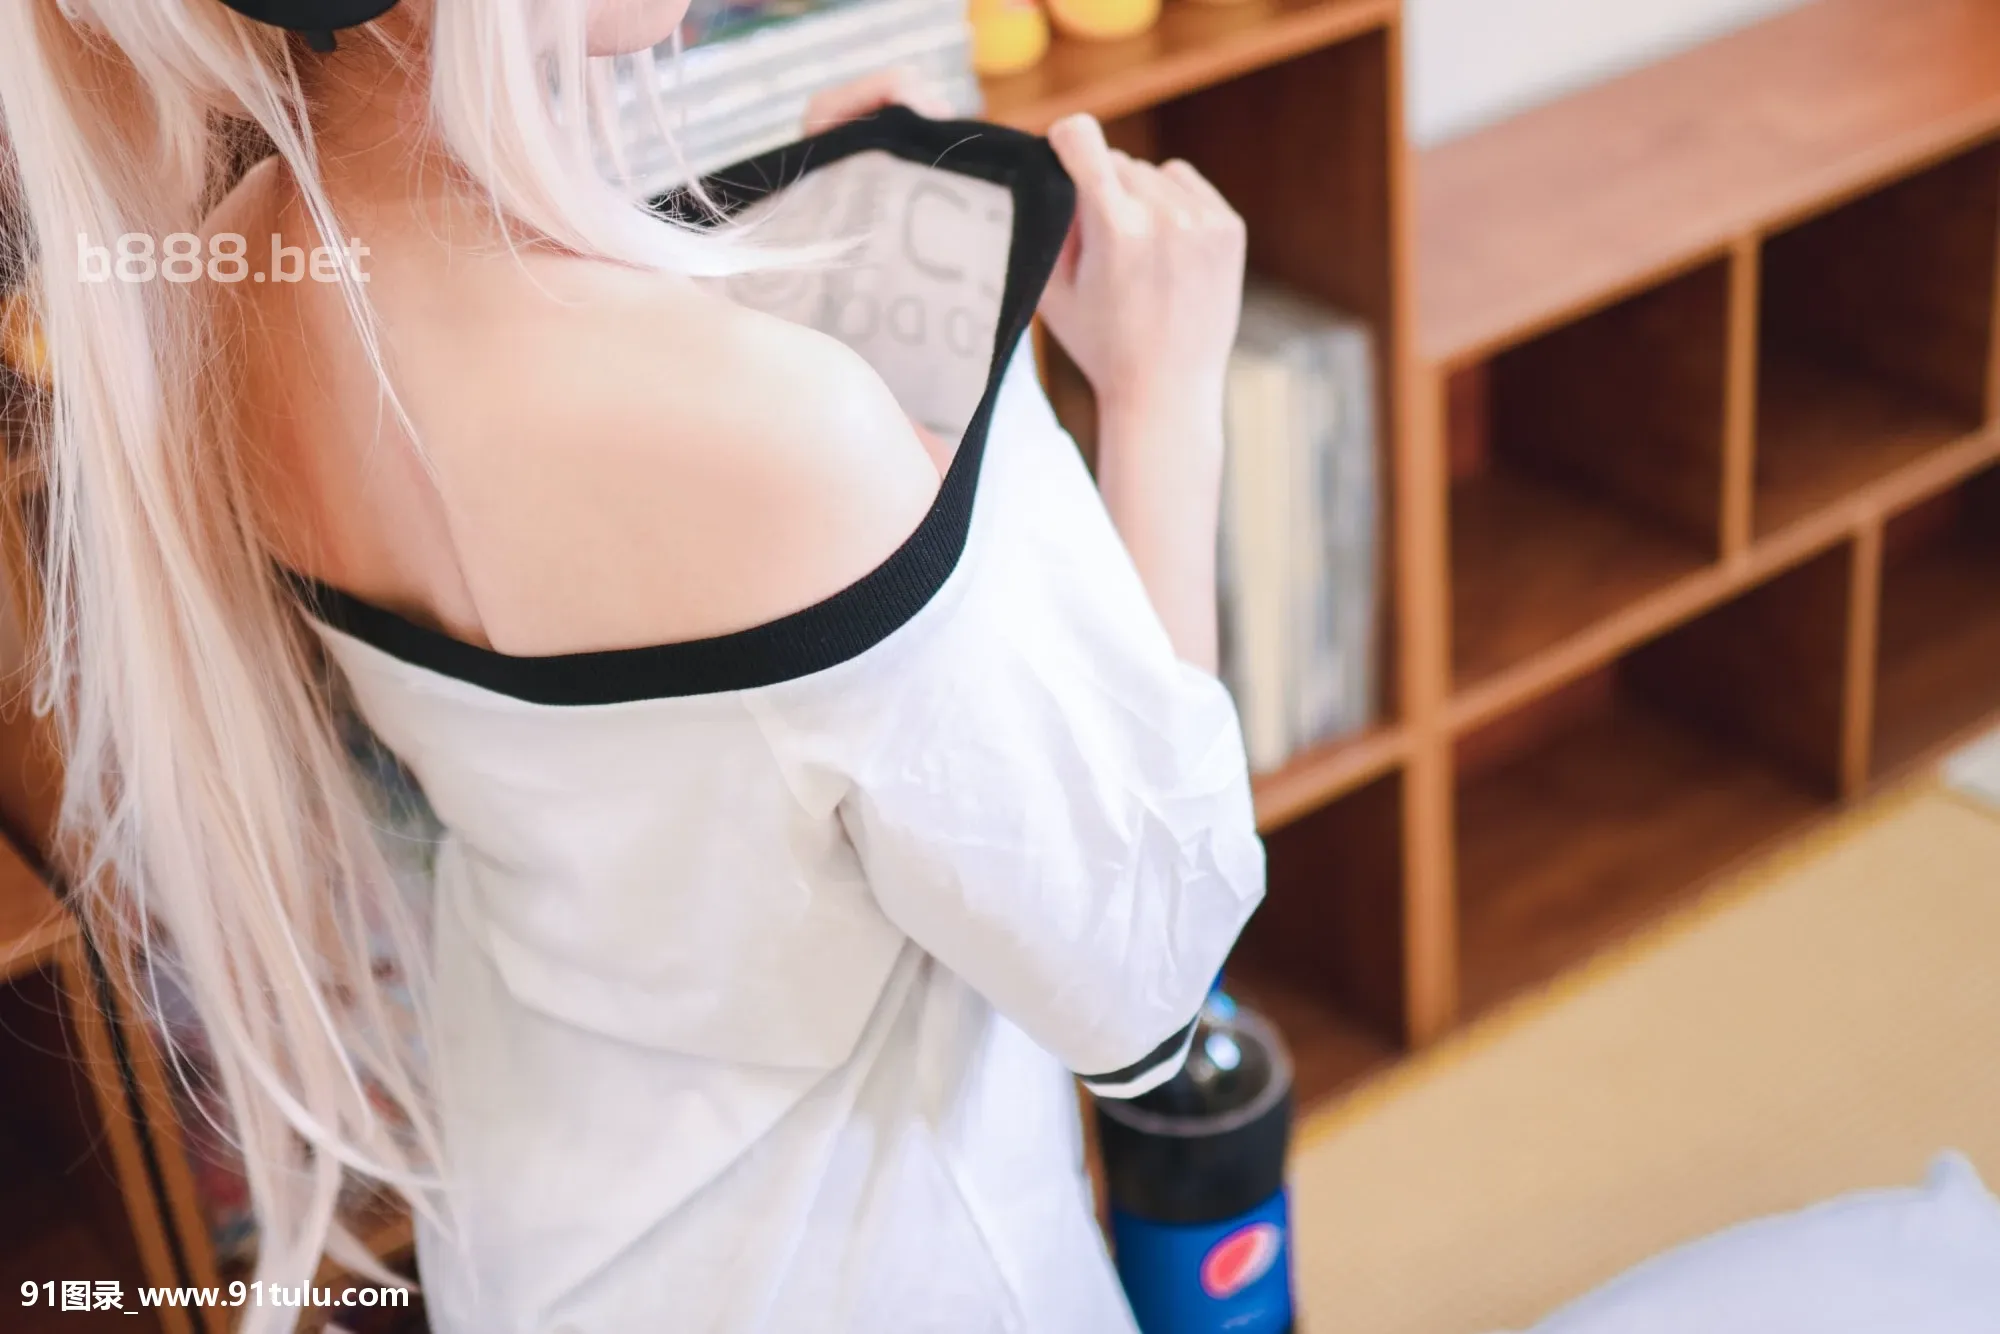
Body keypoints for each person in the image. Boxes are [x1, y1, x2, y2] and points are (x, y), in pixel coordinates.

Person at [0, 1, 1263, 1330]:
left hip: (534, 1231)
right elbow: (1142, 973)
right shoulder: (788, 433)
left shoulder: (229, 293)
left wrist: (842, 253)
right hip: (870, 1261)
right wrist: (1158, 389)